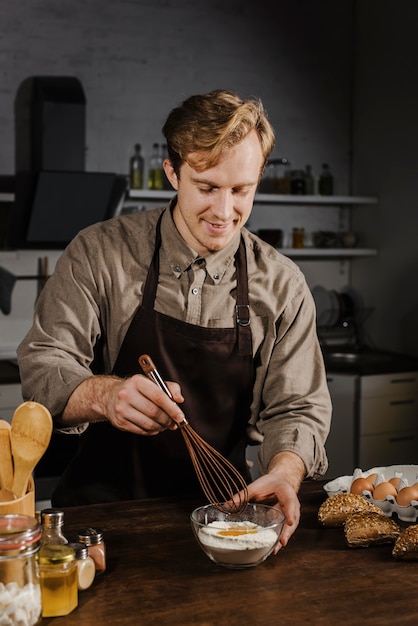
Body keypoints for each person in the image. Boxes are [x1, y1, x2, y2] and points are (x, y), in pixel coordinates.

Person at [17, 89, 331, 550]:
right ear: (173, 173)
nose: (224, 212)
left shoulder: (282, 285)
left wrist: (284, 472)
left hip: (226, 521)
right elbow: (43, 365)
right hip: (99, 520)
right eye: (207, 188)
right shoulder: (100, 252)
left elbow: (297, 406)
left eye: (241, 190)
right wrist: (106, 396)